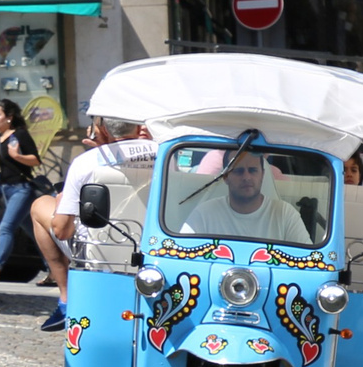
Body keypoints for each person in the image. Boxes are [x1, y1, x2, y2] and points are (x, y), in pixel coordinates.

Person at [30, 116, 151, 331]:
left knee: (40, 205)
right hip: (150, 246)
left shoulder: (88, 161)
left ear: (102, 130)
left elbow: (62, 230)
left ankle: (66, 298)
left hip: (100, 249)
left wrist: (61, 205)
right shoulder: (165, 154)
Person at [166, 145, 317, 245]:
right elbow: (182, 253)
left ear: (262, 175)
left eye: (252, 170)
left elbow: (307, 262)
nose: (246, 177)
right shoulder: (204, 214)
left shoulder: (285, 214)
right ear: (225, 177)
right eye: (238, 171)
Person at [0, 98, 40, 280]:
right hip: (3, 190)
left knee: (6, 227)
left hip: (21, 189)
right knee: (35, 234)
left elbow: (35, 160)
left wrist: (17, 156)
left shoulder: (19, 135)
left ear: (8, 118)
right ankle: (54, 267)